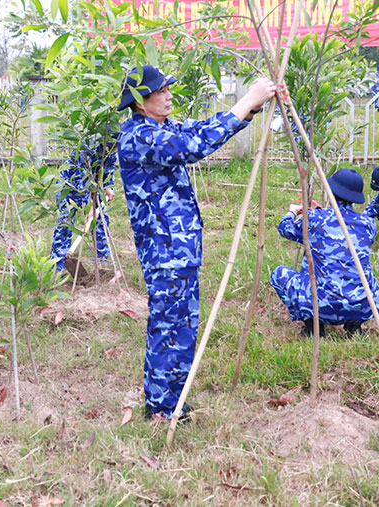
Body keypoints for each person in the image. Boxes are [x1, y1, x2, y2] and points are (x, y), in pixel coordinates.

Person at [116, 64, 278, 421]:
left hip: (180, 249)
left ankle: (173, 398)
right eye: (161, 91)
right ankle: (160, 407)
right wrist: (246, 100)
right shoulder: (139, 136)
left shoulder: (161, 127)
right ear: (141, 101)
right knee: (167, 326)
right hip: (164, 250)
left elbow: (201, 128)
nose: (169, 95)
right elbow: (192, 146)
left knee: (182, 326)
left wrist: (249, 108)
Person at [269, 169, 379, 337]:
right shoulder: (368, 224)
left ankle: (313, 327)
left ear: (331, 191)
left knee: (279, 274)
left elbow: (284, 229)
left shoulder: (316, 219)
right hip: (362, 305)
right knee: (364, 275)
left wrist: (292, 212)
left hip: (322, 305)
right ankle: (354, 326)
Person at [49, 135, 117, 271]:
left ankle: (101, 258)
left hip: (93, 186)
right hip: (69, 185)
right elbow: (80, 179)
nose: (111, 150)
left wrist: (108, 187)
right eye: (109, 146)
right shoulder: (87, 147)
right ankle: (59, 263)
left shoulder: (111, 150)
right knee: (65, 221)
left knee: (101, 218)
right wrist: (90, 206)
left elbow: (108, 167)